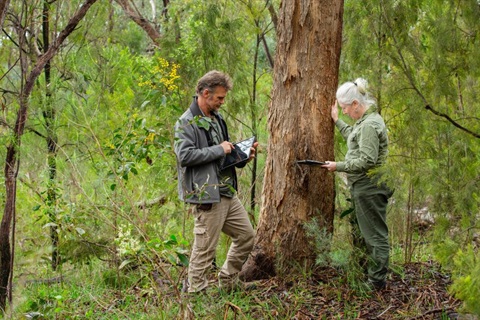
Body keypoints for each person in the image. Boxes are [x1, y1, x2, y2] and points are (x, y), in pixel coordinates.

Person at [174, 70, 257, 293]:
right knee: (205, 249)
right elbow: (185, 156)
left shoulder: (217, 118)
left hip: (227, 191)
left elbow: (223, 157)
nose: (222, 102)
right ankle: (196, 294)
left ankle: (229, 282)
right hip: (206, 194)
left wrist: (242, 156)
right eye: (219, 98)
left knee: (246, 236)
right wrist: (218, 149)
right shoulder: (186, 122)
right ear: (206, 93)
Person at [321, 78, 393, 290]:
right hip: (365, 186)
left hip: (370, 186)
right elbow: (354, 137)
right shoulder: (365, 122)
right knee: (370, 234)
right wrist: (336, 121)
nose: (343, 112)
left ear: (355, 104)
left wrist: (338, 165)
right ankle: (373, 275)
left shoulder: (370, 125)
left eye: (344, 108)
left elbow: (367, 160)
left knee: (375, 236)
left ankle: (377, 282)